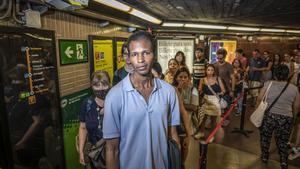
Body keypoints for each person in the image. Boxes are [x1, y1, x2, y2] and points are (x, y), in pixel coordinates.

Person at [103, 31, 180, 169]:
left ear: (154, 55)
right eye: (134, 54)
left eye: (146, 53)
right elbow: (112, 149)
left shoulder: (168, 92)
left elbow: (173, 135)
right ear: (129, 57)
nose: (140, 60)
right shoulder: (115, 96)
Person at [257, 65, 300, 169]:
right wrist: (293, 118)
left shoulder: (268, 84)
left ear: (275, 74)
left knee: (265, 138)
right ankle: (283, 161)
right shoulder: (294, 88)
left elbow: (259, 99)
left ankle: (264, 156)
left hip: (269, 116)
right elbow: (297, 106)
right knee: (283, 140)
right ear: (287, 75)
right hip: (286, 118)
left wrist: (258, 112)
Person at [78, 70, 111, 169]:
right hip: (94, 154)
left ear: (109, 84)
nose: (101, 88)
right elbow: (83, 128)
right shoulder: (87, 104)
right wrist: (81, 151)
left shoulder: (116, 101)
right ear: (91, 86)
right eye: (97, 85)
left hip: (115, 152)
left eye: (104, 84)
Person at [172, 67, 196, 168]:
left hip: (187, 121)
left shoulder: (193, 89)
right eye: (180, 77)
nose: (183, 79)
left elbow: (194, 107)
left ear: (189, 78)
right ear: (176, 78)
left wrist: (179, 104)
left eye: (185, 77)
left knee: (185, 146)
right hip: (175, 123)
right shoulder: (172, 89)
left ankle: (182, 164)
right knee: (176, 146)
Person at [195, 64, 226, 140]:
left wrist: (219, 93)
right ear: (206, 70)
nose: (210, 72)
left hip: (214, 100)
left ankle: (211, 135)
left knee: (213, 120)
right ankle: (201, 133)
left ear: (214, 71)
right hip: (206, 100)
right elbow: (200, 89)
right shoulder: (203, 79)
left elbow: (223, 90)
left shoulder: (218, 79)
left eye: (212, 70)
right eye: (208, 70)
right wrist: (200, 91)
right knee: (203, 118)